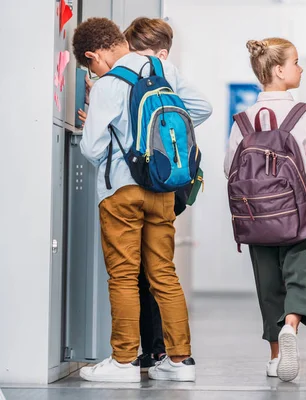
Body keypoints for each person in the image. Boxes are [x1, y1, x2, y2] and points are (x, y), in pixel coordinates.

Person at [72, 17, 212, 383]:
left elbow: (92, 147)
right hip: (162, 188)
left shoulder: (108, 84)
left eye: (91, 65)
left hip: (122, 190)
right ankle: (180, 361)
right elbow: (202, 108)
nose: (95, 70)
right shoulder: (162, 67)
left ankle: (122, 363)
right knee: (164, 272)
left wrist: (108, 128)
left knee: (122, 275)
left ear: (93, 55)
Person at [224, 38, 306, 382]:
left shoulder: (243, 120)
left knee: (269, 286)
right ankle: (291, 326)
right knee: (299, 277)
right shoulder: (305, 115)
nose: (301, 68)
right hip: (298, 218)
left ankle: (275, 357)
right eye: (297, 62)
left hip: (256, 221)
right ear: (279, 70)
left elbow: (230, 168)